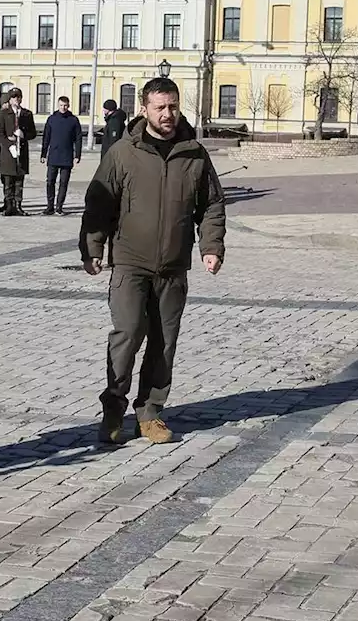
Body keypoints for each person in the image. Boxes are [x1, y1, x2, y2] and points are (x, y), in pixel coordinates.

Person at [78, 77, 226, 445]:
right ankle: (114, 408)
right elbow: (99, 203)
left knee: (164, 342)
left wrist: (211, 246)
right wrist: (93, 249)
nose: (167, 114)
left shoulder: (194, 153)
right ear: (144, 109)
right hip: (130, 262)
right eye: (160, 107)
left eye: (173, 106)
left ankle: (150, 412)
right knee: (127, 334)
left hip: (174, 266)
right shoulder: (122, 153)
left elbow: (211, 205)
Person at [0, 88, 38, 216]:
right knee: (8, 181)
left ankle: (18, 205)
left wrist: (24, 134)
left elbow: (33, 133)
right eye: (13, 97)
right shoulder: (4, 114)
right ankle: (9, 206)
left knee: (19, 181)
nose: (16, 99)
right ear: (10, 99)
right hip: (8, 152)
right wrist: (8, 144)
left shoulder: (26, 114)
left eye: (18, 97)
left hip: (21, 151)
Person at [41, 95, 83, 215]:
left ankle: (59, 207)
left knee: (63, 183)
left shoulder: (73, 120)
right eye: (61, 105)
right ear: (57, 105)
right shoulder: (52, 119)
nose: (63, 107)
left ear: (68, 105)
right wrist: (43, 154)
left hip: (67, 156)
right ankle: (50, 206)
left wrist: (77, 155)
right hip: (53, 155)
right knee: (50, 181)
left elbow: (78, 138)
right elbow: (46, 137)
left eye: (65, 105)